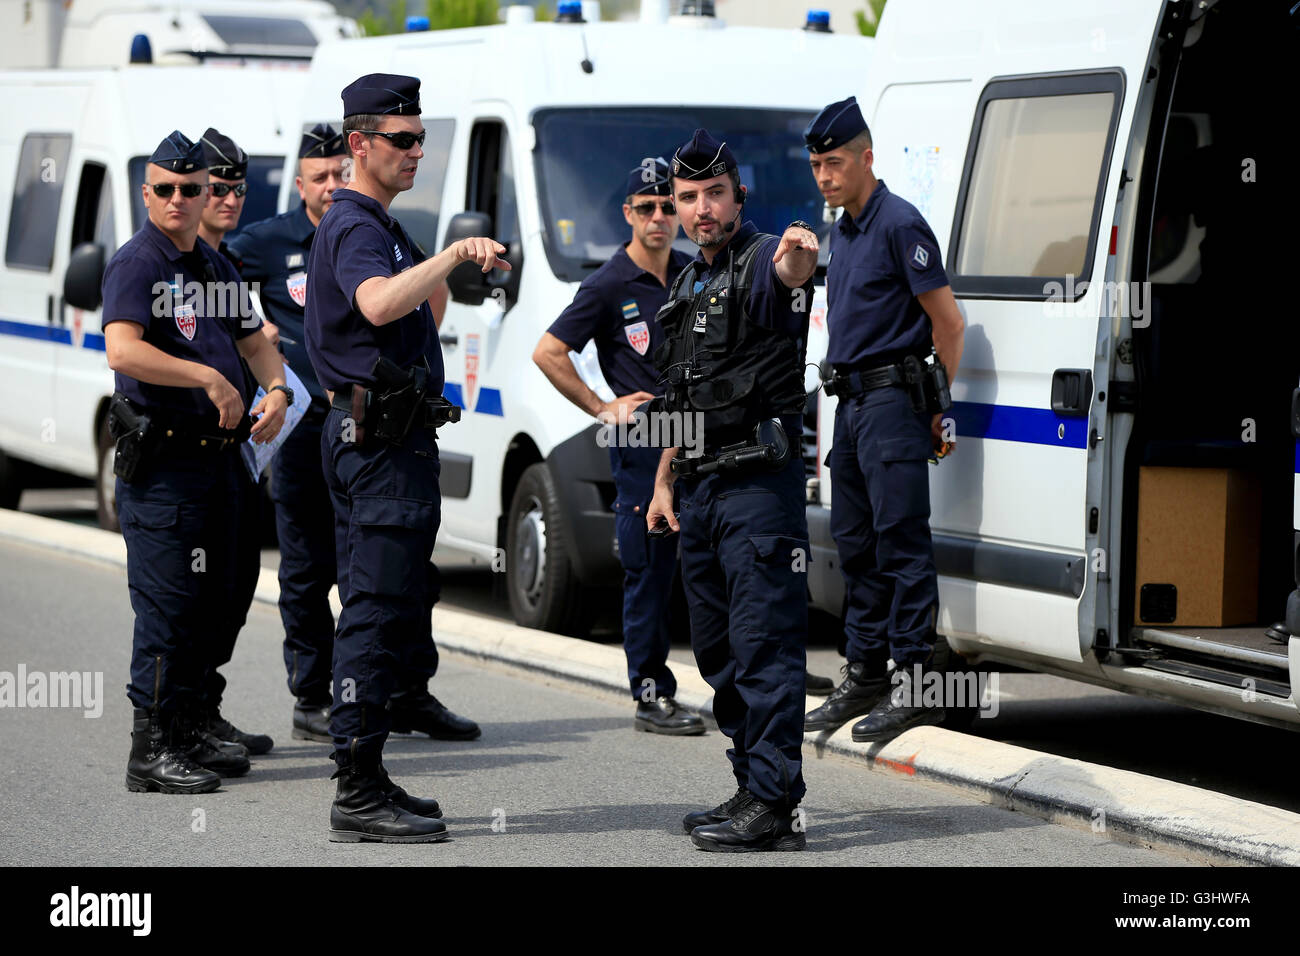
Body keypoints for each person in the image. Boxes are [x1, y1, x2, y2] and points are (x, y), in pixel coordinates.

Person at [304, 74, 508, 843]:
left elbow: (425, 307)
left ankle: (371, 771)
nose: (417, 150)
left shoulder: (382, 224)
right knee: (373, 612)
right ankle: (356, 787)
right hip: (378, 443)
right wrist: (452, 250)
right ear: (360, 144)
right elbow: (379, 305)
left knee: (387, 607)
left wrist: (447, 270)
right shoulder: (357, 225)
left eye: (423, 138)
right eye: (403, 139)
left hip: (391, 438)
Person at [229, 123, 478, 745]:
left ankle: (407, 689)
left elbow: (424, 293)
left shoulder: (380, 230)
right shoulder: (271, 242)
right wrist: (263, 361)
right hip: (306, 420)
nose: (331, 186)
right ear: (300, 182)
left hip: (374, 418)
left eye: (339, 174)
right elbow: (219, 303)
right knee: (313, 567)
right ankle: (316, 696)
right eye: (321, 178)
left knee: (393, 568)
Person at [646, 129, 818, 852]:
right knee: (717, 653)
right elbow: (683, 395)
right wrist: (662, 482)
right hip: (701, 490)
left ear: (738, 196)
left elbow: (792, 271)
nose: (700, 208)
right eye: (688, 198)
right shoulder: (687, 281)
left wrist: (800, 261)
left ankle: (775, 804)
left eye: (714, 194)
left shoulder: (761, 262)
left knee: (765, 649)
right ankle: (752, 784)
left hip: (757, 490)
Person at [103, 130, 289, 793]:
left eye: (191, 189)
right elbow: (122, 352)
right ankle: (148, 751)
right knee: (168, 607)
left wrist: (275, 390)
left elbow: (256, 343)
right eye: (166, 190)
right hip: (164, 466)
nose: (180, 200)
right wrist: (206, 380)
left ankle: (187, 727)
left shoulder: (213, 267)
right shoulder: (139, 262)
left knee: (217, 600)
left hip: (219, 464)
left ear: (206, 193)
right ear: (147, 194)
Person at [799, 96, 965, 743]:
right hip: (851, 408)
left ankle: (916, 683)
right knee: (856, 546)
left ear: (866, 157)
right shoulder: (840, 231)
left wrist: (933, 406)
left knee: (902, 545)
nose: (824, 176)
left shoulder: (900, 223)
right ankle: (865, 672)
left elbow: (949, 324)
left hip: (895, 402)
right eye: (816, 165)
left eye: (834, 162)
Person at [532, 158, 704, 736]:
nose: (659, 217)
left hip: (697, 436)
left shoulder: (691, 273)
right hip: (642, 441)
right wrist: (602, 407)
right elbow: (549, 352)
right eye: (646, 208)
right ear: (628, 214)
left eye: (667, 206)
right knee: (649, 570)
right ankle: (650, 694)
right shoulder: (607, 283)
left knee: (711, 562)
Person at [192, 126, 275, 756]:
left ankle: (205, 704)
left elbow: (251, 347)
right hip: (183, 450)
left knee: (237, 579)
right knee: (188, 590)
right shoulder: (174, 260)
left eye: (238, 189)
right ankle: (182, 719)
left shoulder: (228, 263)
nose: (229, 199)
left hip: (237, 450)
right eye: (217, 188)